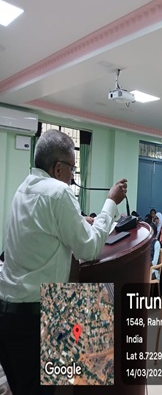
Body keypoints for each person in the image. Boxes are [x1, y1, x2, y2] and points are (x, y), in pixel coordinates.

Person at [0, 129, 127, 395]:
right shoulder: (59, 192)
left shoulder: (23, 189)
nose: (73, 176)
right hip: (35, 318)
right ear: (58, 168)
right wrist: (110, 203)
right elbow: (90, 248)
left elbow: (43, 229)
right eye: (72, 168)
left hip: (9, 315)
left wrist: (78, 222)